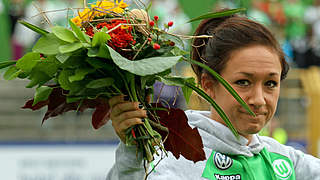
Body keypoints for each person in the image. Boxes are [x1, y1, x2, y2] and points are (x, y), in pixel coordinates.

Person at [106, 13, 320, 180]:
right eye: (243, 82)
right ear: (208, 84)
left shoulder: (287, 162)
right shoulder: (174, 161)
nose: (259, 99)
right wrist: (130, 159)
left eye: (270, 83)